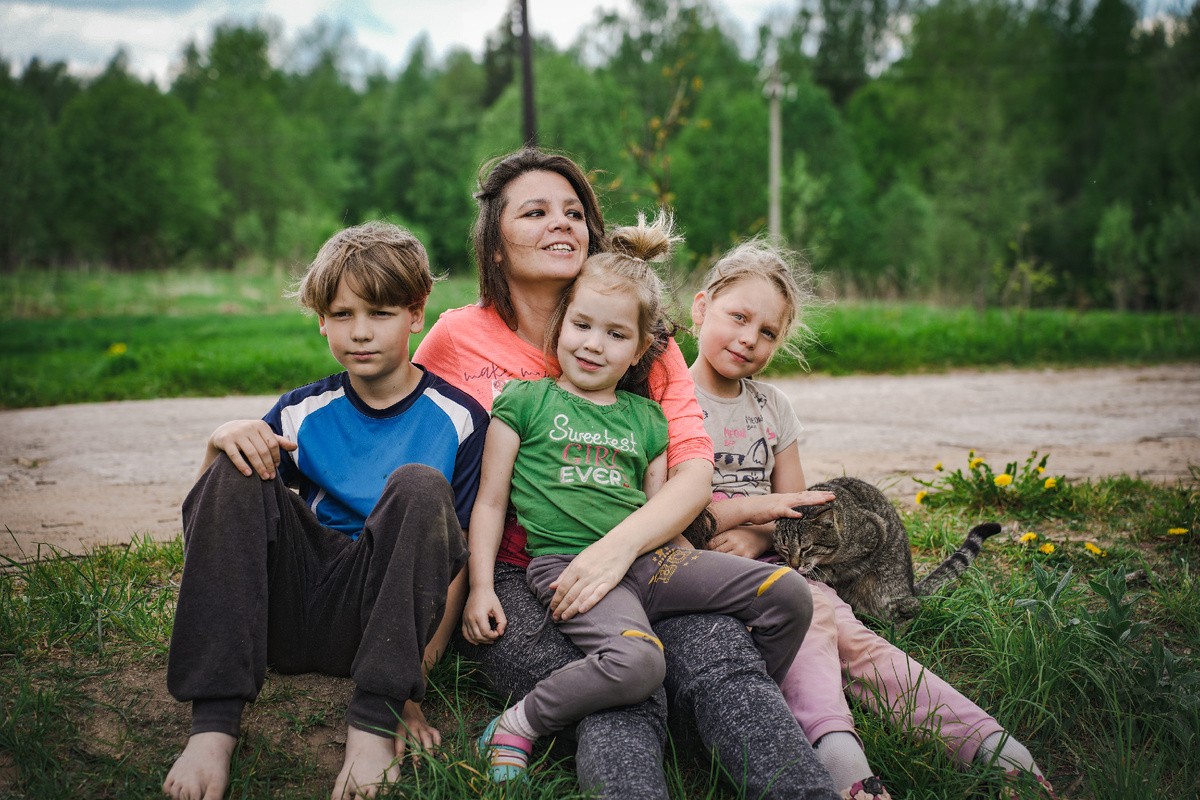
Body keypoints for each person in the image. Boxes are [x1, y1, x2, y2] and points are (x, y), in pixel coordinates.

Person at [414, 147, 840, 800]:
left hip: (642, 550)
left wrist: (618, 551)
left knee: (724, 665)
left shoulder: (650, 339)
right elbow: (392, 419)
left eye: (574, 212)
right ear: (495, 246)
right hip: (515, 572)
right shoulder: (455, 337)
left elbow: (691, 476)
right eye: (535, 212)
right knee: (620, 687)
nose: (561, 223)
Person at [687, 239, 1056, 800]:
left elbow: (802, 508)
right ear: (700, 308)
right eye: (738, 317)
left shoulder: (771, 407)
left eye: (767, 332)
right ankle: (843, 762)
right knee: (812, 624)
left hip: (778, 555)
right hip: (703, 568)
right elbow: (666, 508)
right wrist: (729, 528)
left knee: (854, 638)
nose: (749, 339)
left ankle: (990, 743)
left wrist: (757, 529)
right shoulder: (669, 399)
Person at [162, 222, 488, 800]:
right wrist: (220, 440)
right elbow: (216, 522)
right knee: (239, 464)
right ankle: (213, 727)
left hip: (378, 617)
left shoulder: (459, 418)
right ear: (320, 320)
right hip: (287, 610)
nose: (360, 333)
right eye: (341, 315)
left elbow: (451, 561)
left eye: (380, 313)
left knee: (418, 486)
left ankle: (371, 725)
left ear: (416, 314)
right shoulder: (302, 411)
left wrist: (409, 687)